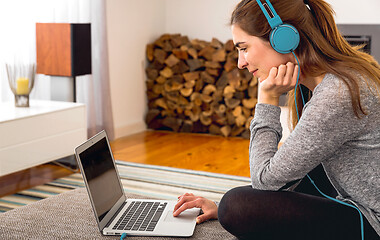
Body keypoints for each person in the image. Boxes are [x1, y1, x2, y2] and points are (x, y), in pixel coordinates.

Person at [173, 0, 380, 239]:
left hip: (372, 220)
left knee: (235, 205)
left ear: (283, 39)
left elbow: (264, 183)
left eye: (244, 48)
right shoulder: (334, 79)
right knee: (282, 178)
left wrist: (267, 98)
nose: (241, 63)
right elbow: (283, 173)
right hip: (353, 196)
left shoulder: (337, 94)